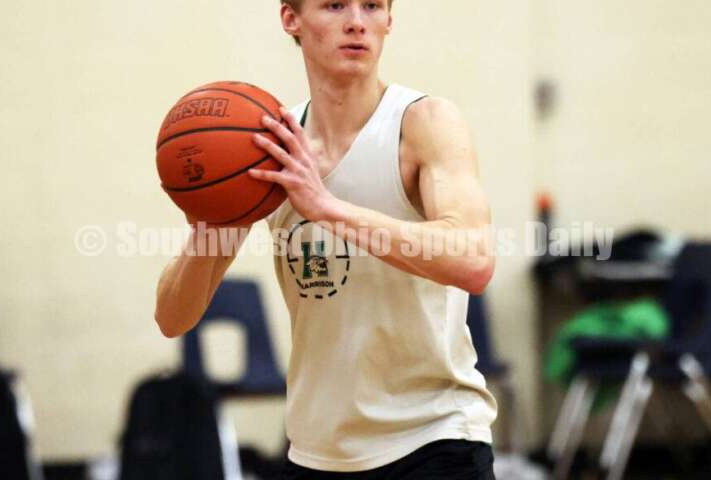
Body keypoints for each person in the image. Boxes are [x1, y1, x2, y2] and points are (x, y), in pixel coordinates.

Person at [155, 0, 498, 478]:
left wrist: (329, 208)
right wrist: (207, 227)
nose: (357, 20)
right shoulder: (266, 147)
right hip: (315, 452)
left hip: (433, 439)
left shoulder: (424, 124)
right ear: (291, 18)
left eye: (372, 6)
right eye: (335, 4)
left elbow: (474, 260)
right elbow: (173, 317)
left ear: (389, 20)